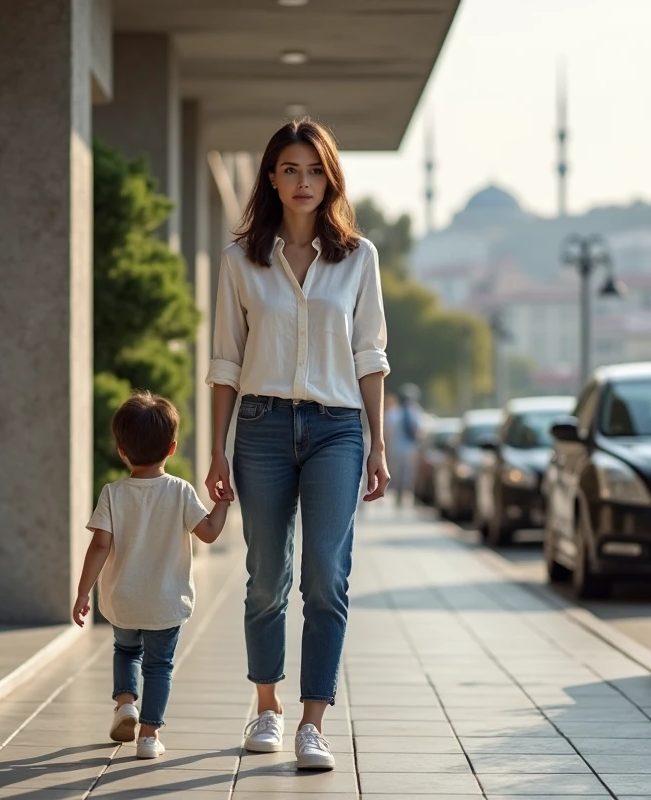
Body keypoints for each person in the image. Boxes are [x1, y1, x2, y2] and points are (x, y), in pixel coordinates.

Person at [205, 118, 390, 771]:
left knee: (326, 579)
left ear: (330, 176)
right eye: (289, 168)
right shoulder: (240, 261)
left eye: (313, 169)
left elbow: (370, 354)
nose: (302, 181)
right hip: (258, 426)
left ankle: (314, 720)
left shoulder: (358, 257)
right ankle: (267, 706)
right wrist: (216, 450)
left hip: (338, 427)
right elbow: (225, 360)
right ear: (272, 178)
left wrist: (378, 444)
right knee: (265, 577)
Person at [71, 392, 230, 760]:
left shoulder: (113, 493)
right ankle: (148, 735)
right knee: (159, 666)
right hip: (166, 602)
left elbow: (99, 547)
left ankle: (125, 702)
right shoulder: (180, 491)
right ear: (172, 448)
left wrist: (83, 592)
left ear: (120, 450)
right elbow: (207, 532)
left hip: (122, 599)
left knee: (126, 650)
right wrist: (222, 502)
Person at [389, 384, 424, 507]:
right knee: (406, 474)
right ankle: (403, 495)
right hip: (407, 448)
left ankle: (402, 495)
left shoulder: (395, 412)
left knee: (401, 474)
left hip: (400, 448)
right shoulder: (414, 411)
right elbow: (419, 431)